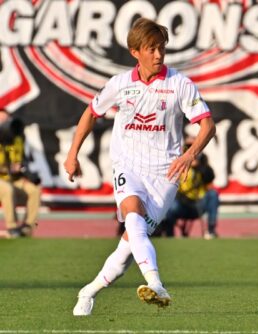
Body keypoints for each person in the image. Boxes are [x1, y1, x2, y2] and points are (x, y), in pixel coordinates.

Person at [64, 18, 216, 316]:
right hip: (128, 166)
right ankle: (156, 284)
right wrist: (73, 154)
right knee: (133, 219)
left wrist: (189, 154)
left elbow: (208, 126)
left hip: (166, 175)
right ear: (136, 52)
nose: (159, 55)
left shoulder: (179, 84)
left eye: (162, 48)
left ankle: (88, 291)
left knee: (128, 248)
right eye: (152, 49)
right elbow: (90, 113)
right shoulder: (120, 84)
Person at [0, 110, 42, 238]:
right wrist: (8, 169)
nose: (6, 124)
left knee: (35, 189)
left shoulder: (18, 137)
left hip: (14, 179)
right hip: (2, 180)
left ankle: (27, 227)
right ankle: (12, 228)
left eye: (7, 120)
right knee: (7, 189)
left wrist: (26, 172)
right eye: (2, 121)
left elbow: (22, 159)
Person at [196, 153, 220, 239]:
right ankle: (166, 232)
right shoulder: (178, 162)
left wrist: (200, 166)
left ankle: (211, 229)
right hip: (181, 203)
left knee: (213, 194)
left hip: (198, 202)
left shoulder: (202, 165)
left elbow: (210, 180)